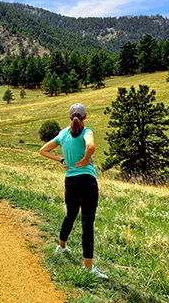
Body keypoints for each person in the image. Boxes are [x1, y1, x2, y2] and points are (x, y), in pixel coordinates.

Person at [39, 103, 108, 280]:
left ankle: (61, 247)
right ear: (85, 117)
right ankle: (88, 267)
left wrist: (61, 159)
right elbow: (91, 147)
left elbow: (43, 150)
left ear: (70, 117)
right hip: (87, 180)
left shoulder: (63, 134)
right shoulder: (87, 132)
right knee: (87, 222)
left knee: (70, 215)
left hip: (70, 180)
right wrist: (86, 159)